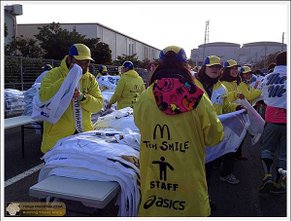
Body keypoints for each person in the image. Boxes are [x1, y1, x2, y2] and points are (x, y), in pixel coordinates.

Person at [134, 45, 224, 216]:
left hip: (154, 197)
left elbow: (139, 123)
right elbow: (215, 137)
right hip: (190, 196)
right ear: (186, 67)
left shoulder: (145, 97)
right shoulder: (199, 98)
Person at [39, 43, 103, 153]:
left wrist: (83, 97)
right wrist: (66, 82)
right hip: (58, 136)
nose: (83, 66)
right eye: (80, 62)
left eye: (86, 62)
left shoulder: (90, 79)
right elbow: (43, 97)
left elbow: (98, 105)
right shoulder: (54, 74)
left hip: (83, 135)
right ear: (69, 59)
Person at [195, 55, 245, 189]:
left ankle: (206, 198)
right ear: (204, 68)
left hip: (212, 133)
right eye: (212, 66)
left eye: (218, 67)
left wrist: (237, 107)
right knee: (194, 169)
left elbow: (226, 106)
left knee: (208, 168)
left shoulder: (221, 87)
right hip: (194, 133)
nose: (215, 69)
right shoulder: (192, 84)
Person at [259, 51, 287, 194]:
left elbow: (262, 96)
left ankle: (267, 176)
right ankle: (280, 183)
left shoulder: (267, 77)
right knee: (284, 154)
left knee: (266, 149)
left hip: (271, 118)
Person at [220, 59, 247, 160]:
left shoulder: (234, 82)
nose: (235, 71)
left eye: (236, 68)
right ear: (227, 70)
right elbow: (224, 99)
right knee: (228, 141)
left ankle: (236, 155)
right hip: (228, 116)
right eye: (232, 69)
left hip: (235, 113)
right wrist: (236, 95)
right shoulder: (223, 83)